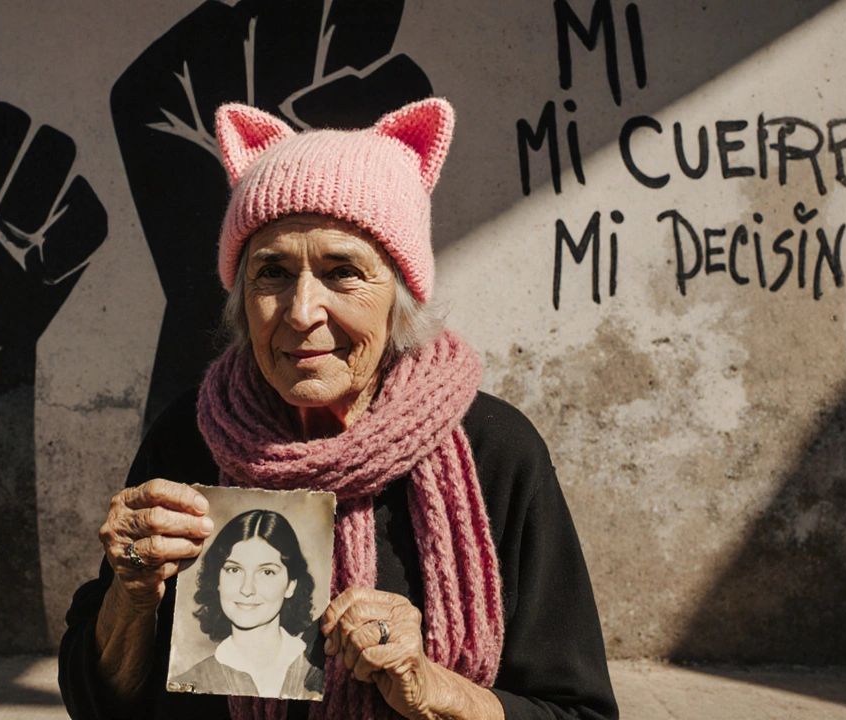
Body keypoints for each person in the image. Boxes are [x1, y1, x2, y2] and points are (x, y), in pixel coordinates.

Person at [59, 98, 619, 720]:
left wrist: (433, 686)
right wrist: (130, 595)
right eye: (271, 272)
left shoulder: (496, 451)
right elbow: (97, 701)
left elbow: (579, 712)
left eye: (342, 271)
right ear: (242, 298)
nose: (301, 312)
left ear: (400, 298)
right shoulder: (191, 438)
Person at [170, 509, 325, 700]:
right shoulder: (188, 682)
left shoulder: (321, 674)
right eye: (234, 569)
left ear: (291, 585)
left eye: (266, 572)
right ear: (217, 579)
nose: (246, 588)